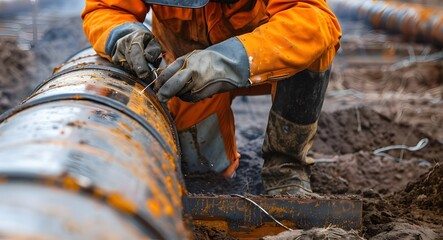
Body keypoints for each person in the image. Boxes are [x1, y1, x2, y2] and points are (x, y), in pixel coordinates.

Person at [82, 0, 341, 195]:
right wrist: (122, 34)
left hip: (265, 58)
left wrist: (227, 61)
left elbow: (313, 20)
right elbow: (106, 8)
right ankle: (215, 174)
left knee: (316, 49)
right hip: (186, 77)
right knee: (206, 176)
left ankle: (286, 169)